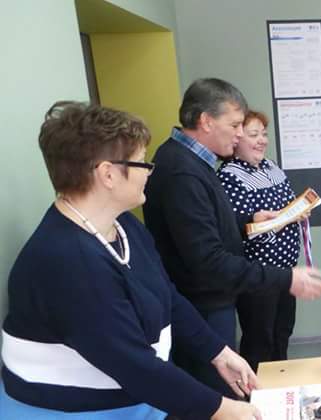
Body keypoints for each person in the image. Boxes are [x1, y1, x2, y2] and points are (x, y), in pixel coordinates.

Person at [0, 101, 261, 419]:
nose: (149, 170)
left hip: (138, 401)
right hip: (73, 412)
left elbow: (167, 296)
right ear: (108, 174)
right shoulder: (65, 261)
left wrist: (217, 351)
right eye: (141, 162)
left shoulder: (123, 225)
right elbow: (134, 366)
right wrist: (222, 409)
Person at [144, 78, 321, 395]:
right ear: (206, 121)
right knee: (215, 393)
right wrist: (286, 278)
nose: (240, 134)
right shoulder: (182, 171)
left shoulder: (193, 162)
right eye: (235, 125)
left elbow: (202, 226)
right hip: (201, 305)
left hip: (210, 300)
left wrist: (247, 222)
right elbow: (208, 259)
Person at [216, 110, 302, 371]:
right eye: (254, 134)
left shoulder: (271, 166)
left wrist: (298, 210)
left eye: (264, 134)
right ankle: (256, 388)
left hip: (285, 271)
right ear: (237, 139)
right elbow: (237, 227)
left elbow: (288, 203)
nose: (262, 140)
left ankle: (281, 381)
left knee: (282, 331)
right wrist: (279, 219)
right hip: (257, 274)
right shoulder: (229, 175)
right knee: (259, 338)